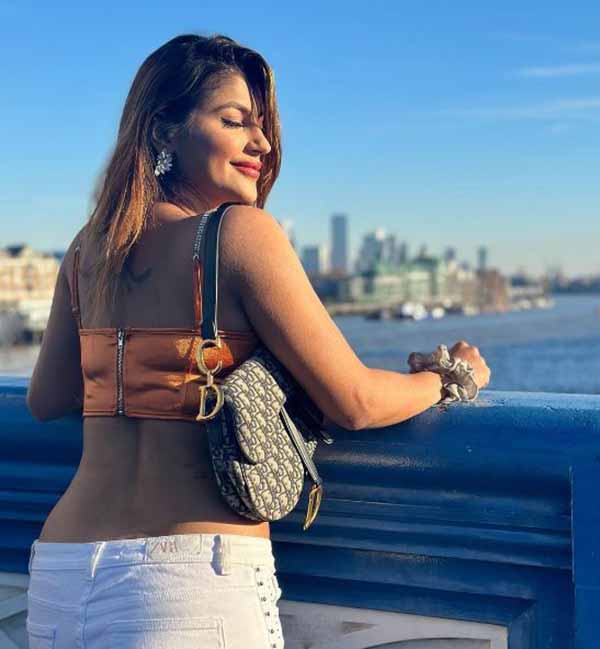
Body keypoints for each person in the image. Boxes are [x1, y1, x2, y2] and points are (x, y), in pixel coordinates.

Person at [24, 32, 491, 649]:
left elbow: (48, 399)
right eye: (233, 120)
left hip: (63, 576)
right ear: (163, 130)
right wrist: (449, 376)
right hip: (185, 584)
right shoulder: (238, 234)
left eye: (262, 125)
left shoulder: (91, 248)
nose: (262, 144)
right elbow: (354, 402)